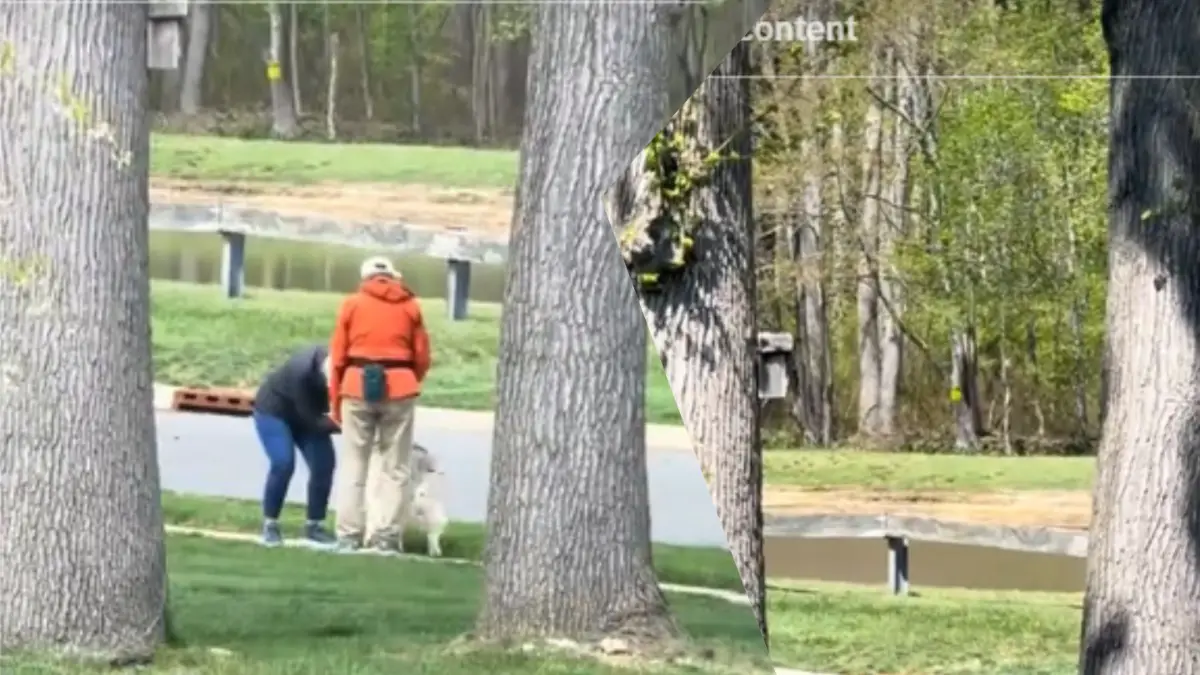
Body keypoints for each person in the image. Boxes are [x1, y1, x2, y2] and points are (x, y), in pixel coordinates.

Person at [327, 256, 431, 554]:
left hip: (356, 384)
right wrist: (409, 379)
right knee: (395, 466)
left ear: (365, 278)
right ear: (393, 278)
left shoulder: (352, 304)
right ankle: (386, 536)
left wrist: (335, 401)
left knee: (354, 464)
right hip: (400, 386)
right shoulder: (410, 306)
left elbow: (338, 357)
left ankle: (349, 535)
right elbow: (422, 355)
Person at [251, 343, 340, 548]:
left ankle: (315, 526)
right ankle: (270, 524)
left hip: (309, 413)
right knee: (283, 463)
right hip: (274, 412)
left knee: (323, 464)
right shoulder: (300, 371)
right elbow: (311, 420)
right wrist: (342, 425)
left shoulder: (341, 366)